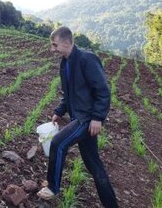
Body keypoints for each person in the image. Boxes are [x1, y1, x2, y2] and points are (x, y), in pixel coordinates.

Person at [37, 26, 118, 207]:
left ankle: (53, 187)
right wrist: (59, 111)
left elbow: (103, 91)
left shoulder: (87, 59)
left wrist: (98, 117)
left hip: (87, 118)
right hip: (79, 117)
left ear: (67, 42)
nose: (52, 49)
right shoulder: (65, 62)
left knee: (58, 143)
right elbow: (69, 93)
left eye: (55, 45)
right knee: (94, 165)